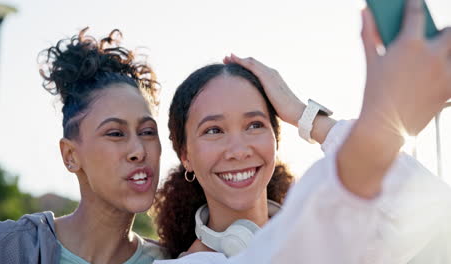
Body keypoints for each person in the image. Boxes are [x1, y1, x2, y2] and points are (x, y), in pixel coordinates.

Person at [154, 1, 451, 263]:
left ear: (275, 137)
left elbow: (433, 204)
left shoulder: (336, 231)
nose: (239, 149)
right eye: (214, 130)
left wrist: (304, 115)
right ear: (185, 156)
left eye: (255, 125)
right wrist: (378, 126)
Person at [0, 28, 168, 263]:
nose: (139, 150)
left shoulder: (173, 260)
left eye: (147, 132)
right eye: (115, 133)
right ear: (70, 155)